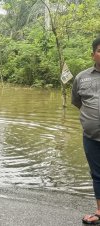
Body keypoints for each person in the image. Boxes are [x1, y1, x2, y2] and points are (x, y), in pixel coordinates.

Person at [72, 37, 100, 225]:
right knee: (97, 174)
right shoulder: (82, 77)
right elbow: (77, 102)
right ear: (93, 54)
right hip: (91, 137)